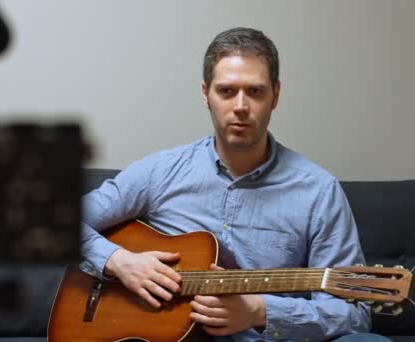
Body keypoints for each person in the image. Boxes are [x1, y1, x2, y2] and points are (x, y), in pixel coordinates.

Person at [80, 27, 391, 341]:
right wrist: (118, 262)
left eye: (255, 91)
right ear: (206, 94)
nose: (241, 106)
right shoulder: (161, 171)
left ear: (276, 95)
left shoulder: (319, 191)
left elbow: (354, 313)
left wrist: (261, 311)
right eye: (226, 91)